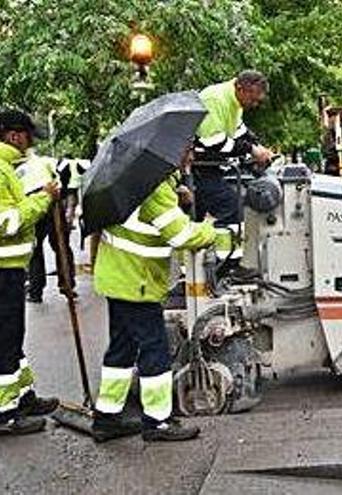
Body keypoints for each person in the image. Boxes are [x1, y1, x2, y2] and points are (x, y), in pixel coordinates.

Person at [91, 146, 216, 442]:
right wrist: (210, 230)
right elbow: (180, 236)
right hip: (137, 281)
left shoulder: (137, 179)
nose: (192, 156)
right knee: (154, 349)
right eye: (188, 149)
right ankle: (157, 422)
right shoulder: (156, 186)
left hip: (118, 277)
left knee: (121, 348)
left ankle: (107, 418)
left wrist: (180, 200)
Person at [0, 109, 61, 436]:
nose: (29, 145)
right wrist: (41, 200)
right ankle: (5, 413)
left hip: (10, 268)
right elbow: (5, 222)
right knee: (5, 339)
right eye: (26, 138)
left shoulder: (9, 168)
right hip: (2, 269)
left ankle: (23, 397)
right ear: (13, 136)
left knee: (13, 338)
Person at [192, 70, 273, 265]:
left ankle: (194, 272)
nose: (254, 105)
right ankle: (227, 265)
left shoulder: (234, 101)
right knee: (231, 208)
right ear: (240, 88)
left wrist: (257, 145)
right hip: (200, 167)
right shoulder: (215, 99)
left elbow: (239, 131)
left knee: (194, 219)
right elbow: (214, 142)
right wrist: (251, 150)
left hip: (209, 167)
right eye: (253, 99)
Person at [20, 155, 83, 303]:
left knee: (36, 249)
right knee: (60, 246)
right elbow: (62, 175)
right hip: (51, 200)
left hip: (35, 200)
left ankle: (36, 290)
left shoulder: (18, 165)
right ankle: (67, 285)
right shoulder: (44, 161)